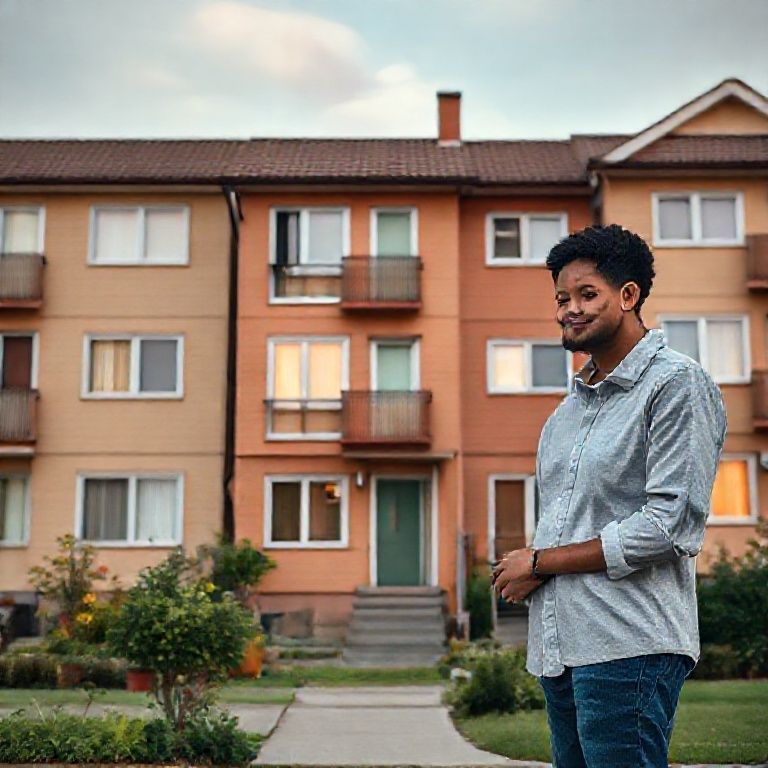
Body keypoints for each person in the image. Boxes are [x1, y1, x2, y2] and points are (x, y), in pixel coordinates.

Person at [491, 224, 727, 768]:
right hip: (562, 648)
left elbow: (669, 526)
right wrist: (532, 569)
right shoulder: (567, 412)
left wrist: (540, 562)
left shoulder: (676, 386)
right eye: (561, 298)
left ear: (629, 295)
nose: (569, 309)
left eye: (586, 295)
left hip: (629, 647)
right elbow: (563, 519)